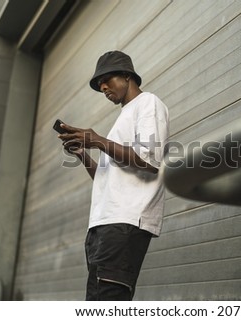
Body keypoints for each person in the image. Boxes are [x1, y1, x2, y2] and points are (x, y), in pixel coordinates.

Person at [57, 51, 169, 300]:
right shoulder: (123, 118)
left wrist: (97, 140)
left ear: (127, 76)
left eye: (107, 79)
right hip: (102, 225)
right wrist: (83, 154)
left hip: (124, 222)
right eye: (99, 85)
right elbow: (106, 180)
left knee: (109, 300)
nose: (103, 87)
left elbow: (149, 160)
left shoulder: (148, 103)